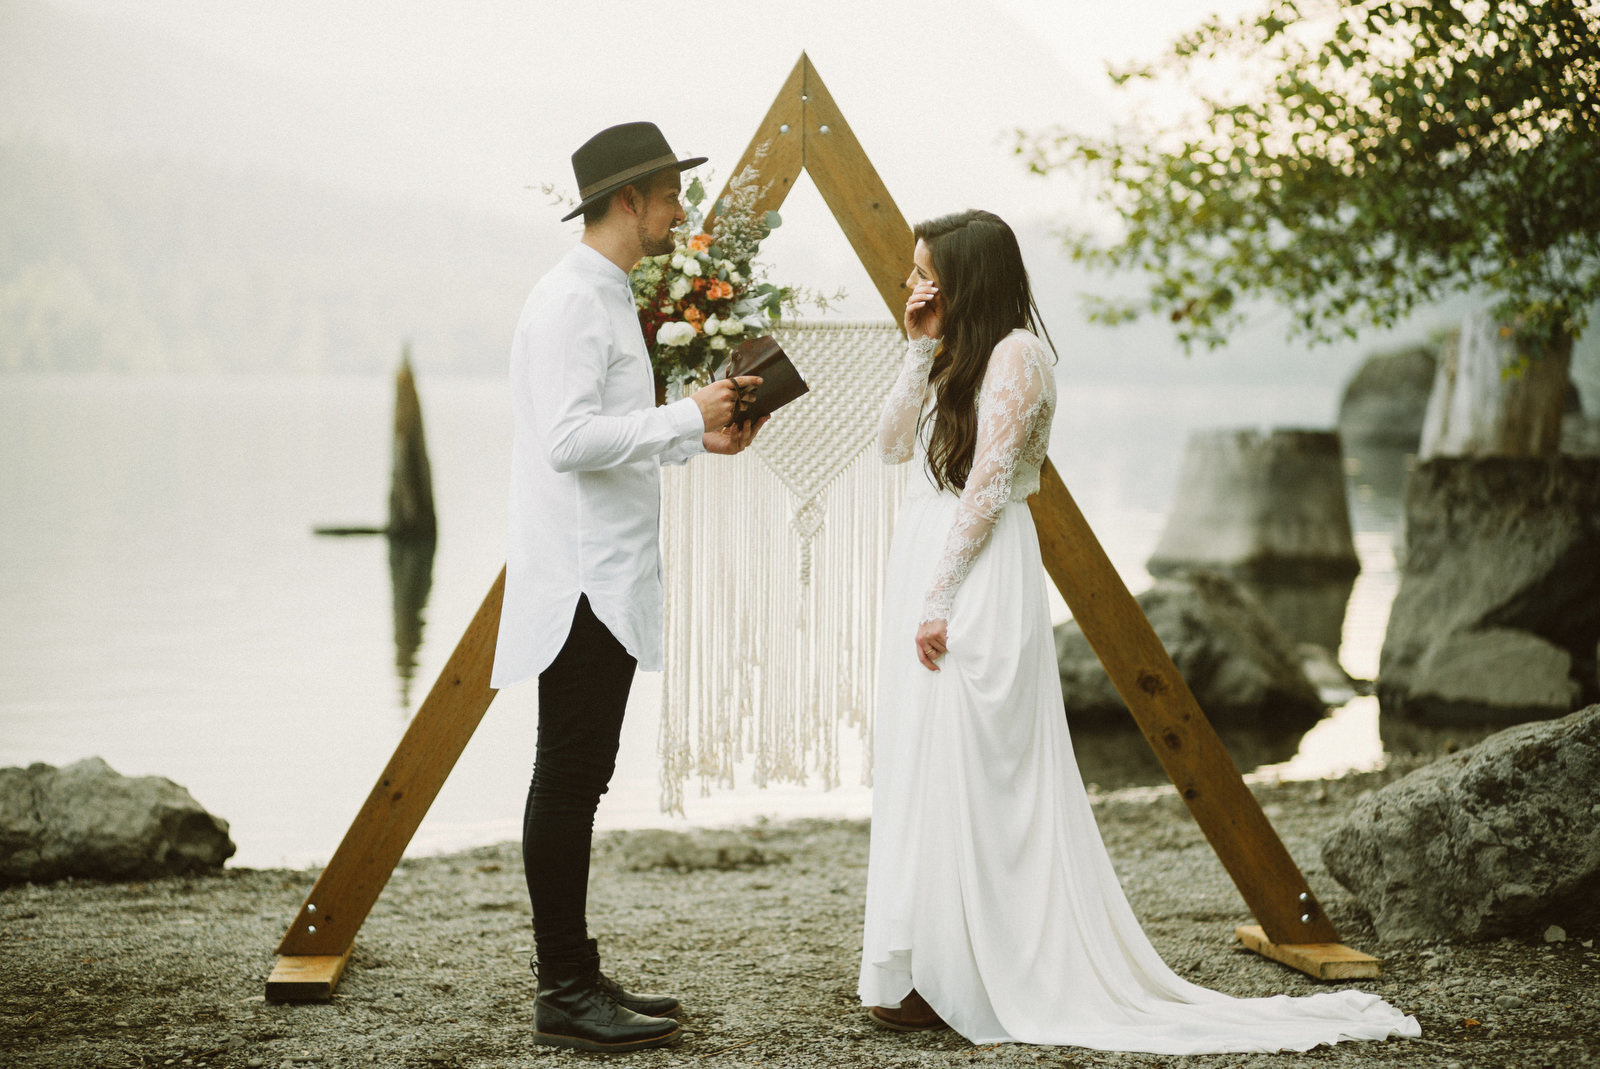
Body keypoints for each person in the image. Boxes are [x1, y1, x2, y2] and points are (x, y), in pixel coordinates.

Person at [857, 209, 1421, 1053]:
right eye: (912, 272)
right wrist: (916, 344)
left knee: (981, 770)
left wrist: (939, 597)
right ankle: (926, 965)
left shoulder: (1020, 357)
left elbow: (988, 487)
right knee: (927, 763)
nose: (914, 284)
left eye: (927, 272)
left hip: (974, 576)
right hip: (929, 565)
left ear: (969, 274)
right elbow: (889, 444)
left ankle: (980, 969)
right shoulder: (954, 353)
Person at [490, 121, 764, 1054]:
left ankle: (574, 968)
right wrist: (684, 411)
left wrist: (698, 435)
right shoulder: (574, 301)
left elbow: (610, 431)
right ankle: (563, 987)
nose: (681, 210)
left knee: (580, 776)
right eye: (671, 195)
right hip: (580, 582)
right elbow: (569, 441)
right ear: (629, 202)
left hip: (598, 573)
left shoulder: (601, 295)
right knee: (568, 779)